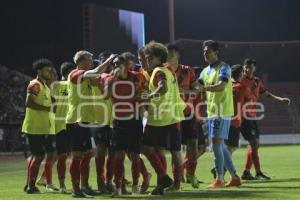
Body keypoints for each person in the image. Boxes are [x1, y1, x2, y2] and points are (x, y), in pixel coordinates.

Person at [66, 50, 114, 197]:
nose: (93, 61)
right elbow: (95, 72)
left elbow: (97, 81)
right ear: (82, 61)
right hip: (76, 120)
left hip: (86, 120)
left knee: (87, 154)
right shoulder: (75, 74)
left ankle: (84, 186)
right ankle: (76, 189)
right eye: (90, 59)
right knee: (77, 155)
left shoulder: (85, 78)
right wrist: (109, 60)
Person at [142, 41, 186, 194]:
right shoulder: (170, 71)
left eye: (150, 58)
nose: (147, 61)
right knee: (173, 151)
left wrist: (150, 95)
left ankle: (163, 177)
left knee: (146, 147)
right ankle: (173, 184)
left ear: (159, 58)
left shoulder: (158, 71)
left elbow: (163, 87)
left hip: (159, 117)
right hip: (174, 116)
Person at [99, 55, 146, 196]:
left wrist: (141, 105)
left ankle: (135, 186)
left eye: (118, 63)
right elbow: (105, 96)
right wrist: (113, 78)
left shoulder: (138, 77)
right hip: (119, 121)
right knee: (118, 155)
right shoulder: (109, 78)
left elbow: (144, 93)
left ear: (126, 64)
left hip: (135, 121)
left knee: (135, 155)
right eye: (113, 64)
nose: (115, 66)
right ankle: (118, 188)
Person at [197, 40, 242, 188]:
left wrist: (204, 88)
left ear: (216, 52)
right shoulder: (204, 71)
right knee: (220, 145)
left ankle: (220, 179)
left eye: (208, 51)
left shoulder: (225, 67)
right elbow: (197, 87)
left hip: (222, 111)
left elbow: (222, 86)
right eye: (204, 51)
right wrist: (183, 89)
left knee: (216, 144)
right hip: (212, 112)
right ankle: (234, 177)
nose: (205, 53)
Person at [240, 58, 291, 180]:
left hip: (252, 116)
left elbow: (266, 94)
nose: (248, 69)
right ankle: (257, 172)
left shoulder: (257, 81)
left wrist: (280, 100)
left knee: (255, 145)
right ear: (243, 67)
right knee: (253, 143)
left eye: (250, 67)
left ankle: (247, 172)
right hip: (243, 116)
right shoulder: (240, 80)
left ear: (254, 69)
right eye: (246, 67)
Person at [166, 43, 206, 188]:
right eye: (167, 55)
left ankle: (190, 173)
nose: (169, 57)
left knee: (194, 146)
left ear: (177, 56)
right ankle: (178, 178)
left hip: (188, 114)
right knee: (175, 149)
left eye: (171, 54)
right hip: (171, 115)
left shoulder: (187, 70)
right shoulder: (163, 71)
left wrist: (185, 91)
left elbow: (196, 89)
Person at [21, 58, 55, 194]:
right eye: (47, 70)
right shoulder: (35, 84)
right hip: (35, 127)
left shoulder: (45, 86)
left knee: (48, 154)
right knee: (39, 155)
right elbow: (29, 103)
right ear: (39, 71)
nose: (50, 72)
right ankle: (31, 186)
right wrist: (47, 108)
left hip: (44, 127)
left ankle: (29, 184)